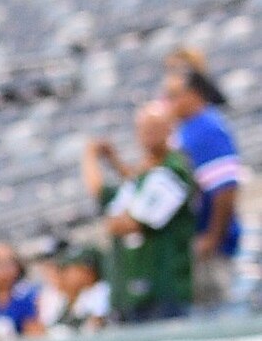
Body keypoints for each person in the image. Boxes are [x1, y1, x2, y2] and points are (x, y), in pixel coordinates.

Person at [90, 99, 195, 324]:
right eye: (144, 129)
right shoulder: (146, 173)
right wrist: (105, 159)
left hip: (162, 290)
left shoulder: (173, 171)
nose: (149, 135)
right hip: (135, 292)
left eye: (155, 128)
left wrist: (115, 221)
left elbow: (126, 224)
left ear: (170, 129)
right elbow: (111, 197)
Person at [165, 55, 241, 288]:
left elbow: (225, 189)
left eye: (174, 96)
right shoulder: (188, 128)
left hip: (211, 250)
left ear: (193, 94)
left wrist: (212, 238)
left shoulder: (206, 127)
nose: (169, 103)